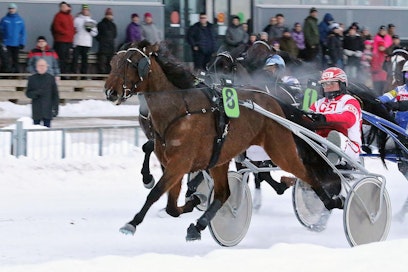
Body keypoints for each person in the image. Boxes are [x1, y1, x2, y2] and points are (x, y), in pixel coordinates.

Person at [309, 67, 362, 165]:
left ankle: (332, 160)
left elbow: (348, 120)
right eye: (324, 84)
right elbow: (307, 118)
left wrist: (325, 118)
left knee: (335, 136)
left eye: (331, 83)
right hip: (321, 144)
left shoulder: (349, 100)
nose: (327, 87)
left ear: (341, 84)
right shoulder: (318, 103)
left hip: (348, 145)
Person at [25, 58, 59, 128]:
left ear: (47, 67)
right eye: (40, 66)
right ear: (36, 67)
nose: (42, 67)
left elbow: (55, 94)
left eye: (43, 66)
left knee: (47, 131)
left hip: (48, 109)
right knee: (36, 130)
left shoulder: (51, 78)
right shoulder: (32, 78)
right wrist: (36, 93)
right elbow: (28, 93)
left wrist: (55, 108)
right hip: (37, 110)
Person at [378, 61, 408, 130]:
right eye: (407, 74)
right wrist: (379, 100)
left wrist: (398, 105)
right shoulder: (399, 89)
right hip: (397, 128)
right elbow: (388, 95)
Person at [0, 3, 26, 73]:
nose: (11, 10)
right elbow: (1, 31)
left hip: (16, 44)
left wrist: (22, 43)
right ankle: (6, 74)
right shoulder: (4, 19)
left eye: (13, 8)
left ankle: (16, 75)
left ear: (16, 9)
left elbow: (23, 32)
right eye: (10, 8)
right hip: (6, 44)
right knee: (6, 60)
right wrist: (2, 41)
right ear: (8, 10)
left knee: (16, 60)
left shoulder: (20, 20)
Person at [72, 4, 98, 74]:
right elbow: (72, 29)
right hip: (77, 43)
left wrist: (90, 31)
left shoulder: (92, 21)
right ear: (81, 10)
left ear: (89, 11)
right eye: (84, 10)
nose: (85, 11)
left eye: (86, 10)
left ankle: (83, 74)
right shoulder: (76, 20)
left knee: (85, 60)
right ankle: (73, 74)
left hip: (86, 44)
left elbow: (95, 33)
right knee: (75, 59)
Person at [50, 1, 74, 75]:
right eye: (61, 7)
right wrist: (66, 32)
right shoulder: (58, 16)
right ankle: (60, 73)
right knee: (61, 58)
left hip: (69, 41)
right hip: (61, 41)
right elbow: (56, 27)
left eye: (64, 6)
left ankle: (65, 73)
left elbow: (72, 28)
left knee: (67, 58)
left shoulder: (70, 17)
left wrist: (72, 33)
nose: (63, 8)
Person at [96, 8, 117, 74]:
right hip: (103, 48)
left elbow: (115, 35)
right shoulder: (100, 24)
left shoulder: (113, 25)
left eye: (110, 14)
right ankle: (102, 76)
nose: (109, 16)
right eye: (108, 14)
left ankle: (108, 76)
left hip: (111, 47)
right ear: (105, 15)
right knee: (102, 63)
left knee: (110, 63)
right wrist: (102, 40)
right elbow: (97, 35)